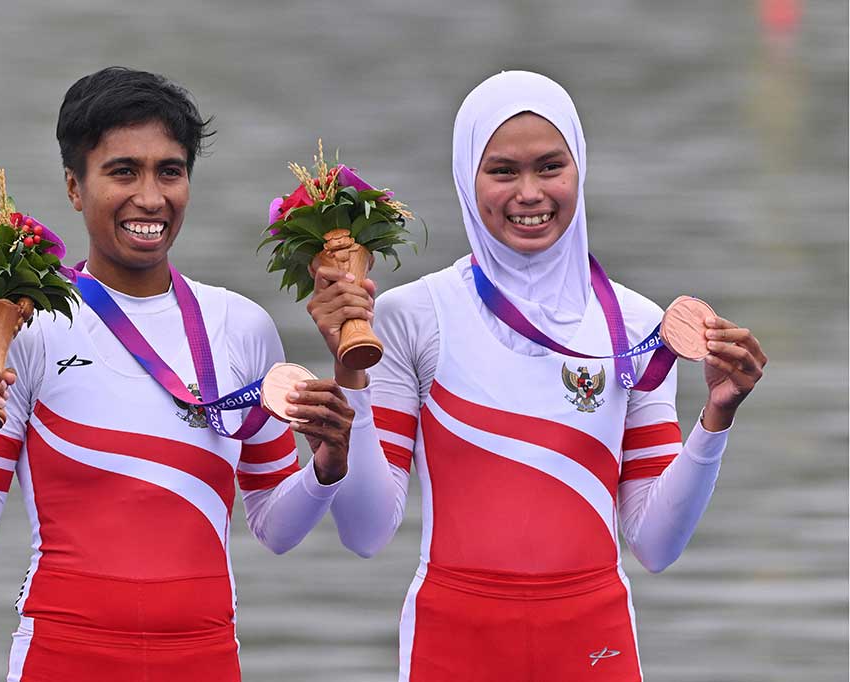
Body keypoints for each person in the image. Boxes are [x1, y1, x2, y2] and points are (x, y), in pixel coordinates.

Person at [304, 71, 767, 681]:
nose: (529, 193)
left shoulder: (635, 324)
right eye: (502, 171)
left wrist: (717, 418)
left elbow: (656, 545)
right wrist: (349, 373)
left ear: (580, 169)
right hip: (453, 645)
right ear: (467, 180)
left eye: (551, 167)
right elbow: (365, 532)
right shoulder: (411, 317)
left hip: (593, 647)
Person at [0, 66, 358, 682]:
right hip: (62, 658)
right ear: (75, 188)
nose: (151, 197)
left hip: (205, 657)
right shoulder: (28, 328)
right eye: (122, 171)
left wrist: (326, 468)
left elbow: (275, 529)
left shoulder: (241, 325)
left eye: (170, 171)